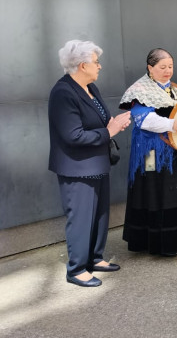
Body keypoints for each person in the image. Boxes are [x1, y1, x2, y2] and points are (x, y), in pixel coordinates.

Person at [48, 40, 131, 287]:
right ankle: (76, 269)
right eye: (96, 62)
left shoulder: (89, 87)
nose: (100, 66)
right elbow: (73, 136)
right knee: (82, 218)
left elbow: (101, 122)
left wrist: (113, 125)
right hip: (77, 168)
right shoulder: (63, 92)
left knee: (100, 215)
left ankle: (94, 258)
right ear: (82, 65)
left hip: (97, 163)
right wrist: (110, 132)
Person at [120, 48, 177, 256]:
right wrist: (172, 124)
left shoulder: (175, 90)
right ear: (150, 68)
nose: (167, 71)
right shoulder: (139, 90)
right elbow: (144, 120)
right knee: (157, 192)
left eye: (170, 66)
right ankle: (160, 241)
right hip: (153, 151)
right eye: (162, 67)